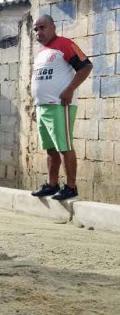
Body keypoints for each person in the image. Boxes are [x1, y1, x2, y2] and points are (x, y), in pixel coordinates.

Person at [30, 14, 92, 200]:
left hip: (60, 105)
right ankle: (51, 184)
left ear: (53, 27)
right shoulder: (41, 52)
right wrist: (36, 104)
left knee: (64, 146)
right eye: (36, 29)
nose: (39, 32)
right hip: (42, 107)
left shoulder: (65, 44)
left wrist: (69, 89)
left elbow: (86, 66)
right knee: (50, 148)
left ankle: (71, 187)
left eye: (42, 27)